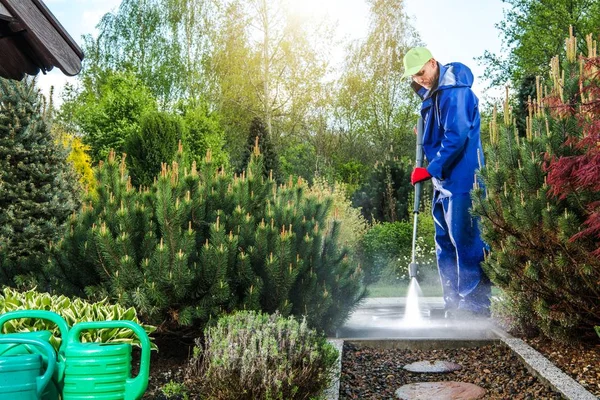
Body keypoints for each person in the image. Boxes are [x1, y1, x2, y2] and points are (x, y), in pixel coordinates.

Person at [402, 47, 491, 317]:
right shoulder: (433, 95)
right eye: (415, 77)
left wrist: (430, 169)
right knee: (445, 243)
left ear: (432, 63)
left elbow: (457, 136)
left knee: (466, 241)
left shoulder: (455, 90)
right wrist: (425, 131)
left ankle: (475, 307)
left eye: (422, 73)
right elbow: (440, 132)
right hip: (444, 182)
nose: (420, 79)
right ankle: (452, 303)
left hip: (464, 178)